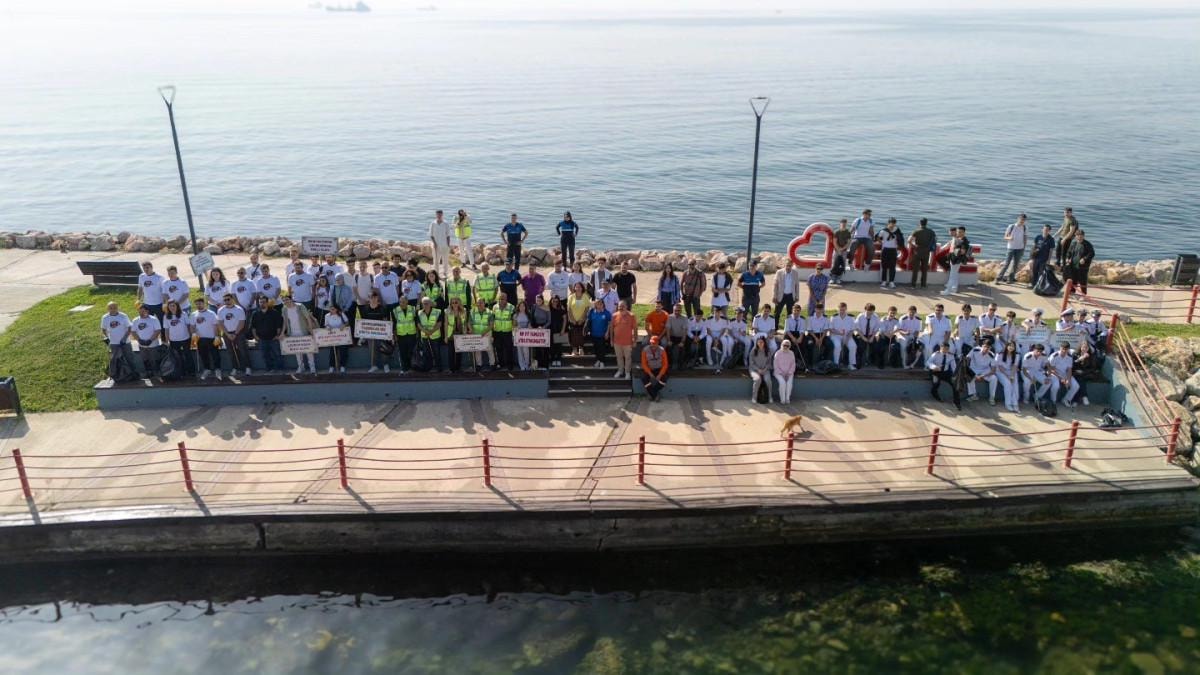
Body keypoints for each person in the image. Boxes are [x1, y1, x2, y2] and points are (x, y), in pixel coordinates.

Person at [280, 294, 318, 375]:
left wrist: (311, 331)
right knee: (297, 351)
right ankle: (300, 367)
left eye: (287, 299)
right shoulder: (284, 309)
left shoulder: (300, 306)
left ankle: (312, 367)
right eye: (284, 300)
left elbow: (308, 318)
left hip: (303, 331)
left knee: (309, 350)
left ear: (291, 299)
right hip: (292, 332)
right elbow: (285, 322)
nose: (286, 301)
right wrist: (282, 333)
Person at [217, 294, 251, 376]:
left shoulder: (239, 309)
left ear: (232, 299)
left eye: (228, 299)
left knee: (243, 350)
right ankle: (235, 368)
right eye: (225, 300)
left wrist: (235, 333)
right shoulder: (221, 310)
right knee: (231, 352)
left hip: (239, 333)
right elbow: (221, 323)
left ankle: (247, 367)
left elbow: (242, 323)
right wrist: (227, 334)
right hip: (227, 333)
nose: (226, 301)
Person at [250, 295, 283, 374]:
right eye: (260, 302)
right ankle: (269, 369)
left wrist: (277, 335)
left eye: (264, 302)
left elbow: (278, 325)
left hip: (273, 338)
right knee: (265, 355)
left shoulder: (274, 313)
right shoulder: (255, 314)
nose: (262, 304)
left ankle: (280, 370)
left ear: (267, 303)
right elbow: (253, 327)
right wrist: (255, 336)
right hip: (261, 339)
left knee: (277, 354)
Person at [361, 292, 393, 373]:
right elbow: (363, 322)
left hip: (382, 333)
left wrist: (387, 333)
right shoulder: (365, 309)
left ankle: (385, 365)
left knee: (383, 348)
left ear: (377, 298)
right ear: (369, 299)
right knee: (372, 349)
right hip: (369, 334)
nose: (373, 299)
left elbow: (386, 320)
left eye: (375, 297)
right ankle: (374, 365)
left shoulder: (383, 308)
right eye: (371, 297)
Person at [190, 298, 221, 380]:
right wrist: (193, 334)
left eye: (200, 303)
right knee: (203, 355)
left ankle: (217, 369)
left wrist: (217, 336)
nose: (198, 305)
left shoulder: (211, 313)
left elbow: (216, 326)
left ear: (204, 304)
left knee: (215, 355)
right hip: (200, 339)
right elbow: (192, 326)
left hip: (211, 338)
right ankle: (207, 369)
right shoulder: (193, 314)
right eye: (197, 304)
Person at [162, 299, 194, 376]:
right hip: (174, 340)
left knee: (188, 355)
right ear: (168, 307)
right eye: (170, 306)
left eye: (174, 306)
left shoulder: (183, 314)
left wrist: (191, 337)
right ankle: (181, 372)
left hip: (185, 338)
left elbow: (188, 326)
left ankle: (191, 371)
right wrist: (167, 340)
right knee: (177, 357)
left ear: (177, 306)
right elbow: (166, 329)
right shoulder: (166, 316)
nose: (172, 307)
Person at [927, 342, 962, 410]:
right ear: (941, 348)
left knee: (955, 384)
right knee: (936, 383)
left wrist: (955, 375)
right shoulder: (936, 354)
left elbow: (954, 367)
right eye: (944, 349)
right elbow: (928, 362)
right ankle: (934, 392)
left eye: (947, 349)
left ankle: (956, 402)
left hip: (945, 372)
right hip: (935, 372)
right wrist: (934, 367)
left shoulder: (950, 356)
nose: (945, 350)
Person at [131, 304, 163, 378]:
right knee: (145, 360)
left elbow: (158, 330)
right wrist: (139, 340)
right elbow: (133, 332)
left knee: (154, 360)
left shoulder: (153, 319)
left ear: (147, 311)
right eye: (139, 311)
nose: (141, 313)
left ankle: (156, 373)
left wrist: (150, 340)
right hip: (141, 345)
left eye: (143, 311)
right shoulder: (135, 320)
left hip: (153, 345)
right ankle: (148, 373)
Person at [413, 296, 442, 373]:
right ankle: (429, 367)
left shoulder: (437, 311)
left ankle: (439, 368)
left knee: (437, 352)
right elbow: (418, 324)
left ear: (430, 304)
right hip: (424, 336)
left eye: (427, 303)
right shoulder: (419, 313)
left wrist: (431, 331)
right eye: (423, 303)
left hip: (435, 335)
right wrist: (426, 331)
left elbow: (439, 323)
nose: (425, 305)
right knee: (426, 353)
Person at [996, 214, 1028, 284]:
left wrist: (1024, 248)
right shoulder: (1011, 226)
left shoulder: (1025, 227)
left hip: (1020, 248)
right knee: (1006, 264)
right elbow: (1005, 237)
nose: (1022, 221)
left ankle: (1010, 279)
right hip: (1011, 248)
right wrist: (1009, 238)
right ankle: (998, 278)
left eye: (1024, 220)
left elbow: (1025, 238)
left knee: (1015, 265)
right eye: (1021, 219)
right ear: (1018, 219)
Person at [1048, 341, 1081, 407]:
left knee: (1076, 386)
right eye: (1063, 349)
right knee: (1056, 386)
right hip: (1054, 374)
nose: (1064, 351)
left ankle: (1066, 399)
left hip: (1064, 373)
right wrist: (1061, 379)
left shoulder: (1069, 357)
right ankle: (1053, 401)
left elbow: (1069, 370)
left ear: (1068, 349)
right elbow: (1051, 369)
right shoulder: (1054, 356)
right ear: (1060, 348)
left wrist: (1068, 380)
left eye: (1066, 349)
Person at [393, 296, 419, 374]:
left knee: (411, 352)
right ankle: (404, 368)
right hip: (401, 335)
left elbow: (416, 321)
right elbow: (394, 323)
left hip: (411, 334)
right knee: (402, 352)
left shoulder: (413, 309)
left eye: (403, 302)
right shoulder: (395, 310)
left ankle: (412, 367)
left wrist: (417, 332)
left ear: (407, 302)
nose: (402, 303)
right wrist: (395, 335)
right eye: (400, 302)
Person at [907, 218, 936, 288]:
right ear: (926, 223)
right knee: (924, 269)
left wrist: (914, 246)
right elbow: (934, 240)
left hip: (918, 251)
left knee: (915, 269)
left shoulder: (916, 231)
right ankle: (923, 285)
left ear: (920, 223)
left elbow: (909, 240)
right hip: (926, 252)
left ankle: (913, 285)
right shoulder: (931, 231)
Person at [993, 340, 1021, 412]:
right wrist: (1008, 376)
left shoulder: (1017, 355)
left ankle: (1015, 403)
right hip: (1000, 372)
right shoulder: (1000, 354)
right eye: (1009, 345)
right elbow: (999, 367)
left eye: (1013, 346)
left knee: (1015, 384)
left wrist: (1012, 376)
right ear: (1006, 346)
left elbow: (1014, 366)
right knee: (1008, 383)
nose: (1011, 347)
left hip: (1011, 371)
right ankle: (1008, 403)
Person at [492, 293, 517, 370]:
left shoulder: (511, 307)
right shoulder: (494, 307)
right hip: (497, 331)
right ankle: (501, 363)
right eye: (500, 299)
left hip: (507, 331)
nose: (501, 300)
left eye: (503, 299)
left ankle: (510, 364)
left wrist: (514, 330)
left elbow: (514, 320)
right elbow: (493, 319)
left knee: (509, 348)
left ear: (506, 299)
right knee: (498, 348)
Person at [468, 297, 494, 372]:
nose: (479, 304)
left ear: (484, 303)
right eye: (478, 303)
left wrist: (484, 332)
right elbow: (469, 323)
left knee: (489, 349)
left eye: (481, 303)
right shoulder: (472, 311)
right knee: (477, 350)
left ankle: (492, 364)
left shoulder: (490, 312)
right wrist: (471, 330)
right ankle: (479, 364)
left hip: (486, 333)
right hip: (476, 333)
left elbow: (491, 325)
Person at [1065, 229, 1095, 295]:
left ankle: (1083, 294)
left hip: (1083, 267)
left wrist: (1084, 259)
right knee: (1073, 279)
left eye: (1081, 236)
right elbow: (1069, 252)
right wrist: (1068, 258)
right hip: (1073, 265)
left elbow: (1092, 253)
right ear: (1075, 236)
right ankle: (1072, 291)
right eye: (1078, 235)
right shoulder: (1074, 243)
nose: (1079, 237)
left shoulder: (1087, 244)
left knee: (1082, 281)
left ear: (1083, 236)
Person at [443, 297, 469, 373]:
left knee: (459, 352)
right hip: (451, 334)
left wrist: (465, 332)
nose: (454, 304)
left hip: (460, 333)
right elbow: (445, 324)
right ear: (450, 304)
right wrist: (445, 336)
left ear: (459, 303)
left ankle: (458, 368)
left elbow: (465, 323)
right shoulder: (447, 311)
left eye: (456, 302)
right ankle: (451, 369)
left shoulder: (464, 311)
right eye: (452, 303)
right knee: (451, 352)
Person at [829, 302, 857, 370]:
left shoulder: (851, 318)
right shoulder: (833, 317)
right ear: (838, 309)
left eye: (843, 310)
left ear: (846, 309)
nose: (842, 311)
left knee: (853, 346)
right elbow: (831, 329)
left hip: (847, 336)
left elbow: (852, 330)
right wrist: (839, 333)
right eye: (840, 310)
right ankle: (836, 364)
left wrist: (847, 339)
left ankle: (851, 364)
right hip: (836, 336)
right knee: (837, 346)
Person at [640, 335, 669, 401]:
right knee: (644, 378)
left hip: (659, 369)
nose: (652, 345)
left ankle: (651, 393)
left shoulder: (662, 350)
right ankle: (655, 395)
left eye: (654, 343)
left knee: (664, 380)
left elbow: (665, 364)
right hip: (649, 369)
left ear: (658, 343)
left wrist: (660, 375)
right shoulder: (645, 350)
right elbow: (644, 364)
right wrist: (650, 373)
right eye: (651, 343)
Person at [772, 260, 801, 325]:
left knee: (790, 314)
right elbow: (775, 285)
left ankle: (788, 328)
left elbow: (797, 285)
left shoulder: (795, 273)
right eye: (787, 265)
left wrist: (797, 296)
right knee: (777, 313)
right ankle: (775, 328)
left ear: (792, 266)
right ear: (784, 265)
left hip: (791, 296)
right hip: (780, 296)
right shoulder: (779, 272)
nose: (788, 267)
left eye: (790, 266)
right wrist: (774, 296)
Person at [940, 228, 968, 296]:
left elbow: (963, 252)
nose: (959, 233)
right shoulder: (957, 239)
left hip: (956, 260)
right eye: (958, 232)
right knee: (955, 274)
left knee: (952, 275)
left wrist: (955, 249)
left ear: (964, 233)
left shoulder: (964, 241)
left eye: (961, 232)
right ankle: (954, 288)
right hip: (953, 259)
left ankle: (947, 291)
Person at [323, 305, 350, 374]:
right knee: (332, 352)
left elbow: (347, 322)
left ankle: (342, 366)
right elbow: (326, 325)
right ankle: (331, 366)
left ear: (337, 309)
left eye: (333, 309)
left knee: (343, 351)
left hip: (342, 336)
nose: (332, 310)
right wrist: (328, 327)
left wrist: (344, 325)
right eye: (331, 309)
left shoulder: (341, 314)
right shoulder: (327, 316)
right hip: (332, 336)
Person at [877, 218, 903, 288]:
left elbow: (901, 239)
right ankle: (884, 281)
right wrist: (882, 243)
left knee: (892, 266)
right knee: (884, 266)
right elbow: (878, 237)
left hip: (893, 250)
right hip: (885, 249)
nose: (892, 225)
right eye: (891, 223)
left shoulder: (897, 231)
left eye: (894, 223)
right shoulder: (883, 231)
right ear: (888, 223)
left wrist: (899, 245)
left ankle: (891, 282)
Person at [853, 303, 881, 368]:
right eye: (869, 310)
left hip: (871, 335)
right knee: (861, 346)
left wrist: (872, 337)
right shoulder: (860, 317)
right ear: (865, 310)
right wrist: (863, 338)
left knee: (876, 346)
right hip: (861, 334)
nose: (870, 312)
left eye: (872, 311)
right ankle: (858, 362)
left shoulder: (876, 317)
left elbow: (876, 329)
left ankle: (876, 362)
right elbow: (857, 328)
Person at [586, 299, 613, 367]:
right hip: (593, 334)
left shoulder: (606, 313)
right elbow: (588, 321)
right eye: (597, 303)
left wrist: (607, 332)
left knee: (602, 348)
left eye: (601, 303)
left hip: (602, 334)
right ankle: (598, 360)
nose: (599, 305)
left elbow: (609, 323)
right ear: (595, 305)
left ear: (603, 304)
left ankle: (602, 361)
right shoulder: (592, 311)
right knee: (596, 348)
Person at [566, 283, 590, 356]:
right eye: (576, 287)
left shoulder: (585, 296)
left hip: (582, 319)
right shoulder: (571, 296)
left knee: (582, 334)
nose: (578, 288)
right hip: (572, 319)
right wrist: (572, 319)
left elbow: (587, 308)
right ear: (574, 288)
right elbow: (569, 309)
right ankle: (574, 349)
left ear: (582, 288)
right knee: (573, 334)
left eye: (580, 287)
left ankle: (581, 348)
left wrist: (582, 319)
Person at [428, 209, 453, 279]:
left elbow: (448, 235)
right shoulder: (433, 224)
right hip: (436, 246)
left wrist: (448, 245)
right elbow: (431, 235)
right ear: (436, 215)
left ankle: (445, 273)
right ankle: (436, 274)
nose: (439, 216)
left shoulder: (446, 224)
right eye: (438, 215)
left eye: (440, 215)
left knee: (445, 260)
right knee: (436, 261)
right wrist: (434, 243)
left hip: (445, 245)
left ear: (442, 215)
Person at [749, 336, 774, 404]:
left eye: (762, 342)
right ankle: (754, 398)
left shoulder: (768, 351)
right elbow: (751, 363)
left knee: (768, 380)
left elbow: (769, 363)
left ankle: (770, 397)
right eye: (759, 342)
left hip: (765, 369)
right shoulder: (753, 351)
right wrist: (758, 369)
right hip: (754, 370)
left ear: (764, 343)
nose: (760, 343)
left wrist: (765, 369)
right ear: (756, 343)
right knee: (758, 379)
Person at [666, 302, 691, 369]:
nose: (677, 312)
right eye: (675, 310)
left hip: (681, 337)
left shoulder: (685, 318)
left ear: (681, 310)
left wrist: (682, 342)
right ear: (673, 310)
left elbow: (685, 331)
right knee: (668, 347)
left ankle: (683, 363)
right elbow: (668, 330)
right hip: (672, 337)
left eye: (678, 310)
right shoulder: (669, 317)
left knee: (685, 346)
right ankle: (669, 363)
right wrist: (668, 340)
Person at [1029, 224, 1055, 289]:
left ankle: (1039, 286)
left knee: (1041, 273)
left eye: (1047, 230)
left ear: (1049, 231)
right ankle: (1033, 284)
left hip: (1044, 259)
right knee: (1034, 271)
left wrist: (1049, 260)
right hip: (1036, 258)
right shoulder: (1038, 237)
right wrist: (1031, 258)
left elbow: (1051, 250)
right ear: (1042, 229)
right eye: (1044, 229)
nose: (1045, 231)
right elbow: (1033, 247)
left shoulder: (1051, 239)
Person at [530, 294, 552, 368]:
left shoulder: (547, 308)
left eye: (539, 300)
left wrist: (543, 327)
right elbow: (531, 318)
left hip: (545, 328)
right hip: (536, 328)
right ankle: (538, 363)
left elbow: (549, 321)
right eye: (537, 300)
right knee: (537, 347)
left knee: (545, 347)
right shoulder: (534, 307)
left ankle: (545, 364)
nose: (538, 302)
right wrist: (533, 327)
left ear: (542, 300)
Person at [774, 339, 797, 405]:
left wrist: (789, 372)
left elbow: (793, 364)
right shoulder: (778, 353)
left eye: (787, 345)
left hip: (789, 373)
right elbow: (775, 365)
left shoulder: (791, 353)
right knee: (782, 383)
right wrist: (782, 373)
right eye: (784, 345)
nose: (786, 347)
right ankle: (782, 399)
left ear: (789, 346)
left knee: (789, 384)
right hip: (779, 373)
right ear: (782, 345)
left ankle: (787, 398)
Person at [548, 295, 567, 367]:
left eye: (556, 301)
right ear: (551, 301)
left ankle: (558, 359)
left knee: (559, 345)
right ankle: (553, 359)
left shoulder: (561, 308)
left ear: (558, 301)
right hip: (550, 329)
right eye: (553, 301)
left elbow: (565, 319)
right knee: (551, 346)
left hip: (559, 329)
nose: (555, 302)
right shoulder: (548, 309)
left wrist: (563, 329)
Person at [831, 219, 851, 284]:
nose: (844, 225)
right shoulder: (837, 232)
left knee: (842, 265)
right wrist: (838, 249)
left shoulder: (848, 232)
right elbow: (834, 242)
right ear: (840, 224)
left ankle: (839, 278)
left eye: (845, 223)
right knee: (834, 264)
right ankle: (833, 278)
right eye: (842, 223)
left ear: (846, 224)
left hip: (844, 251)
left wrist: (842, 249)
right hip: (836, 251)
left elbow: (848, 242)